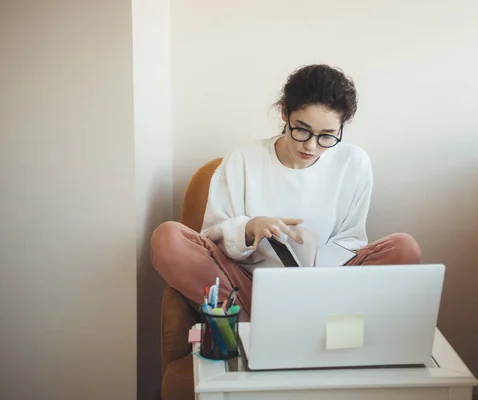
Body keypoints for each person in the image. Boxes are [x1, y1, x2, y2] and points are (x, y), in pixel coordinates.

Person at [151, 64, 421, 320]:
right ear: (284, 113)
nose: (312, 146)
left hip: (325, 288)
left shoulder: (354, 163)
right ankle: (245, 322)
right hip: (249, 286)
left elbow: (352, 239)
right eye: (302, 130)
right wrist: (248, 228)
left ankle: (312, 318)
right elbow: (211, 239)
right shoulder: (244, 157)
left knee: (404, 248)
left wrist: (311, 278)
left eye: (327, 136)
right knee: (168, 239)